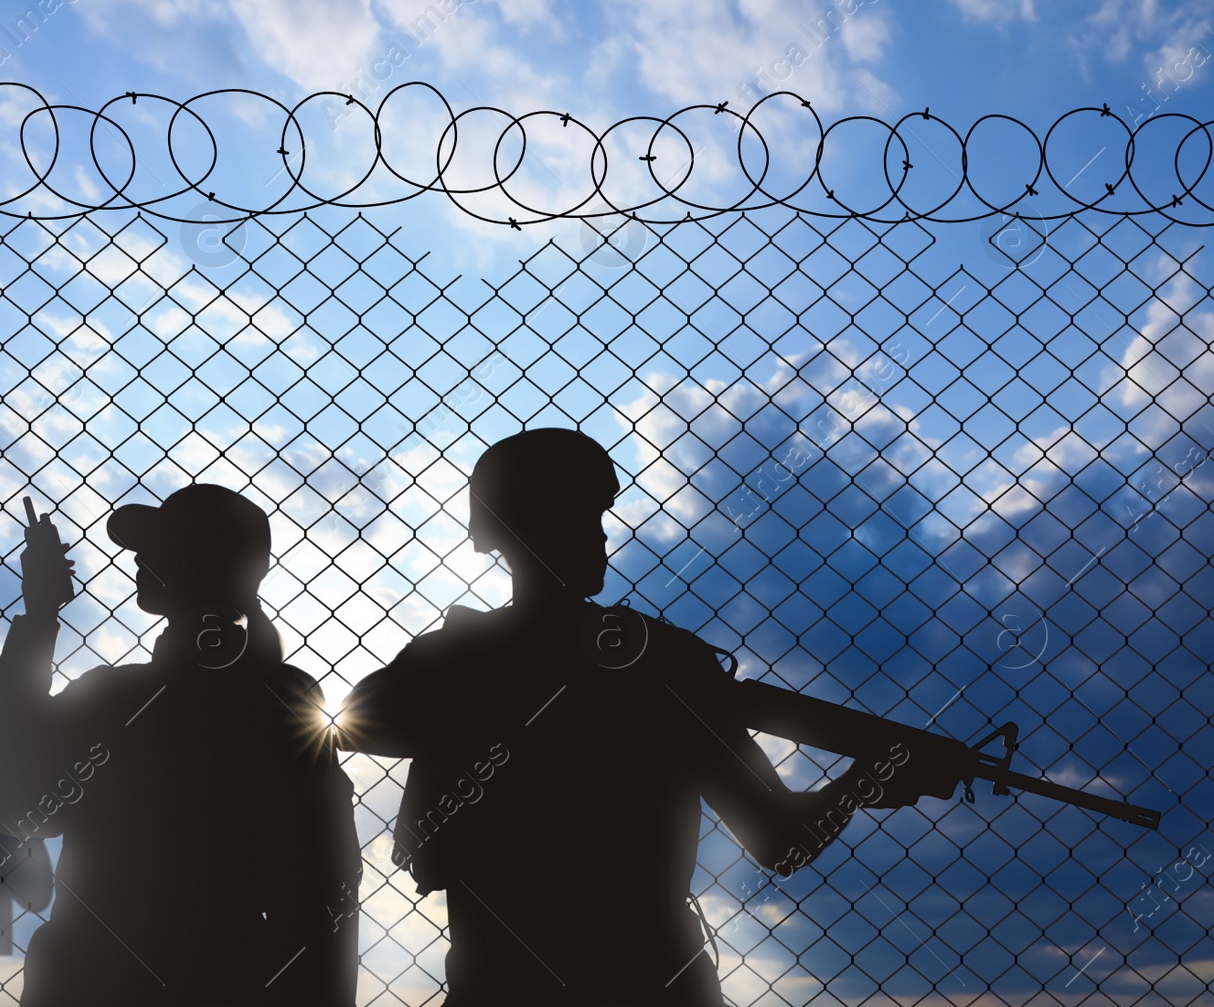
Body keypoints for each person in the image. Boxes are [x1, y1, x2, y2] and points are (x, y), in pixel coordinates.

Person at [338, 428, 957, 1006]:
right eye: (586, 516)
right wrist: (863, 782)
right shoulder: (659, 665)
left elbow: (353, 724)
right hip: (647, 976)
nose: (602, 537)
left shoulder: (456, 662)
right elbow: (782, 844)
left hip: (501, 977)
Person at [0, 483, 360, 1006]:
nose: (137, 558)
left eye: (156, 547)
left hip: (101, 979)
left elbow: (13, 797)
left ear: (193, 563)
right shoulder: (285, 700)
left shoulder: (115, 701)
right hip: (231, 980)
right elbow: (326, 879)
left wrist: (40, 615)